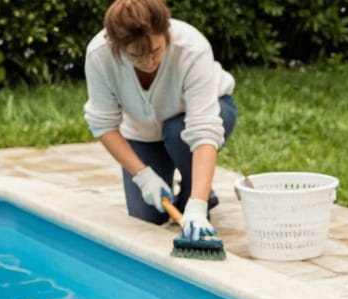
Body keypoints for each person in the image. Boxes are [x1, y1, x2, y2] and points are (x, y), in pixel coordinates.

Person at [83, 0, 237, 244]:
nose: (148, 61)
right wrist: (143, 176)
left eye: (155, 50)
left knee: (177, 133)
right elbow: (103, 125)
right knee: (146, 216)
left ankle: (195, 194)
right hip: (142, 132)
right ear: (116, 47)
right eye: (135, 55)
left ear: (166, 32)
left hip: (196, 120)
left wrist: (197, 204)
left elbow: (204, 130)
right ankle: (193, 190)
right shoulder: (99, 55)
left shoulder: (192, 48)